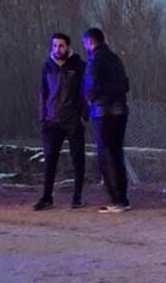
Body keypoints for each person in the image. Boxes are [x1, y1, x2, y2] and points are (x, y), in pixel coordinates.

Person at [35, 33, 88, 211]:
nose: (57, 49)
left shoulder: (78, 65)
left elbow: (85, 91)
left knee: (77, 159)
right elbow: (43, 92)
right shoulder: (47, 66)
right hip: (52, 120)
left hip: (73, 119)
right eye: (55, 46)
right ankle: (47, 197)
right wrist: (43, 116)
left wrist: (84, 114)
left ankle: (77, 197)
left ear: (68, 47)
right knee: (50, 160)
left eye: (61, 46)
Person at [82, 27, 132, 213]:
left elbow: (91, 84)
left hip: (103, 112)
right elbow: (125, 84)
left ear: (90, 42)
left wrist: (91, 98)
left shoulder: (94, 60)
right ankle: (123, 198)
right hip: (120, 110)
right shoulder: (116, 59)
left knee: (105, 155)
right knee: (117, 153)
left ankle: (115, 199)